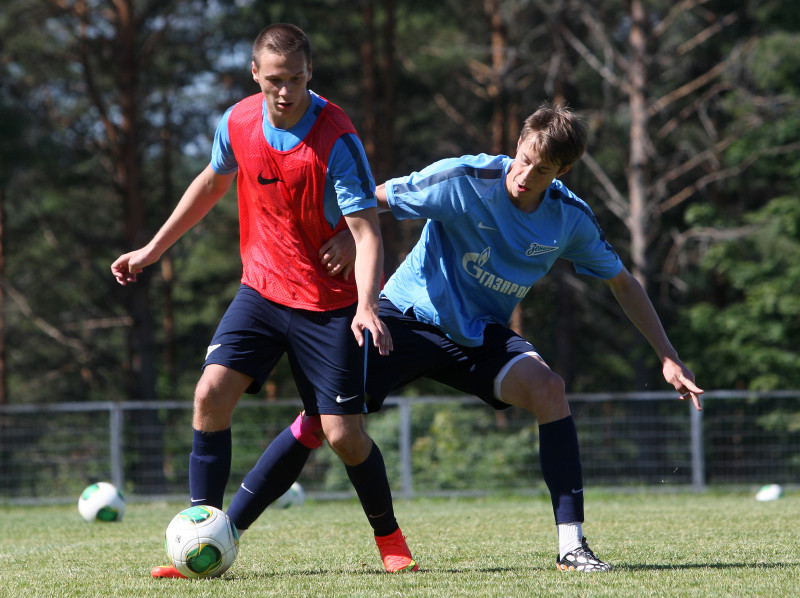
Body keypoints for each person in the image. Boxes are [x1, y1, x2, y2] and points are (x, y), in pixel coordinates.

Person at [221, 101, 704, 573]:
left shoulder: (568, 219)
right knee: (322, 420)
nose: (524, 175)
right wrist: (353, 233)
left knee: (550, 390)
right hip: (406, 319)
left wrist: (668, 355)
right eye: (524, 159)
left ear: (564, 171)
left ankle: (572, 547)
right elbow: (376, 194)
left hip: (479, 337)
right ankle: (226, 531)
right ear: (518, 144)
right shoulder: (465, 179)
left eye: (541, 170)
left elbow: (622, 282)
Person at [110, 23, 418, 577]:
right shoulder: (237, 121)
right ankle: (201, 537)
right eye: (274, 79)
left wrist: (367, 306)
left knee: (343, 436)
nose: (285, 91)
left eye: (295, 79)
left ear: (308, 75)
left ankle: (390, 537)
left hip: (328, 305)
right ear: (255, 74)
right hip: (261, 290)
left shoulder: (336, 138)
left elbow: (368, 232)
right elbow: (212, 180)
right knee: (209, 395)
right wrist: (153, 249)